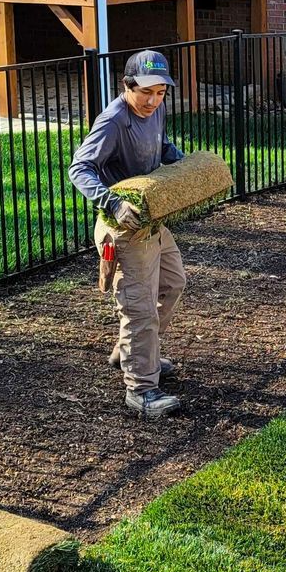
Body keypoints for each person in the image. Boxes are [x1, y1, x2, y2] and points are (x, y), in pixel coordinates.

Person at [70, 50, 188, 419]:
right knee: (139, 307)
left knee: (173, 283)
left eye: (161, 93)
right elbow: (80, 168)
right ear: (128, 85)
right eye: (146, 93)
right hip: (123, 226)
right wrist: (112, 203)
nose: (153, 101)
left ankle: (131, 351)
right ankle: (141, 389)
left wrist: (175, 156)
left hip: (151, 221)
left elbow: (160, 144)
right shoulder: (113, 121)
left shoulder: (156, 110)